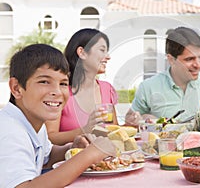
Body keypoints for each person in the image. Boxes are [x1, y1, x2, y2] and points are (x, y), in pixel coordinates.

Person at [0, 44, 116, 188]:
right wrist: (90, 155)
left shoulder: (33, 123)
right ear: (16, 88)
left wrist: (71, 148)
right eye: (44, 81)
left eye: (63, 83)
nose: (57, 91)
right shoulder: (10, 132)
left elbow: (46, 157)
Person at [125, 26, 200, 127]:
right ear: (171, 59)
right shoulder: (147, 87)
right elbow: (130, 119)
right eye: (189, 59)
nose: (198, 64)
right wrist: (141, 118)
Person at [46, 28, 118, 145]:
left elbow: (115, 133)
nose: (108, 56)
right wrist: (84, 130)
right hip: (71, 160)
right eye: (102, 50)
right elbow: (50, 137)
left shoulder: (107, 89)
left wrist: (131, 124)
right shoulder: (61, 92)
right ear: (82, 52)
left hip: (105, 161)